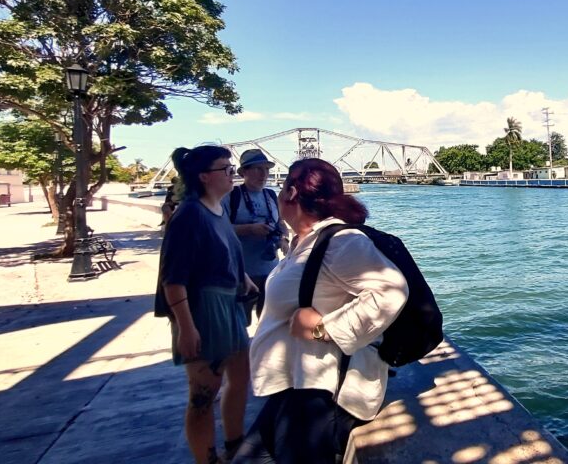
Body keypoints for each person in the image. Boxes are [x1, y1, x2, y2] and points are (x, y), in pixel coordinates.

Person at [233, 158, 408, 463]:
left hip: (320, 392)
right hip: (295, 382)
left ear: (291, 194)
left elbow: (392, 292)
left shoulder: (341, 242)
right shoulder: (305, 242)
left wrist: (324, 329)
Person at [159, 145, 258, 464]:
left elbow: (222, 253)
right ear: (204, 176)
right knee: (203, 395)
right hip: (203, 310)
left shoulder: (217, 208)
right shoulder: (189, 215)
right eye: (225, 169)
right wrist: (186, 328)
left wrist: (243, 277)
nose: (233, 173)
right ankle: (207, 459)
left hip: (230, 307)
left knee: (241, 377)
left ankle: (234, 442)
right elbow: (173, 278)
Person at [228, 149, 289, 320]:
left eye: (267, 169)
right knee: (240, 323)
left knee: (268, 321)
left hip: (271, 271)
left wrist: (284, 239)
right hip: (241, 273)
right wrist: (249, 229)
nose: (264, 174)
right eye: (258, 169)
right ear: (244, 172)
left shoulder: (270, 195)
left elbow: (281, 224)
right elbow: (219, 230)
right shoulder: (232, 196)